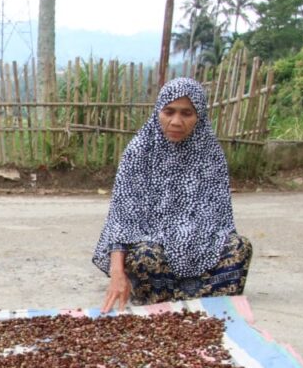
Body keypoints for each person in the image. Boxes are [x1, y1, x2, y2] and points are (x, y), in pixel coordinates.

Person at [92, 77, 252, 313]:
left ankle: (177, 295)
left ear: (199, 116)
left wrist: (187, 241)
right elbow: (122, 218)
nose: (176, 121)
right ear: (159, 112)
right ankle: (183, 297)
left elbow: (219, 218)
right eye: (169, 111)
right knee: (145, 258)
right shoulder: (139, 152)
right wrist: (117, 273)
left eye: (186, 113)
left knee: (239, 249)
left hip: (199, 246)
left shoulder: (211, 155)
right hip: (154, 246)